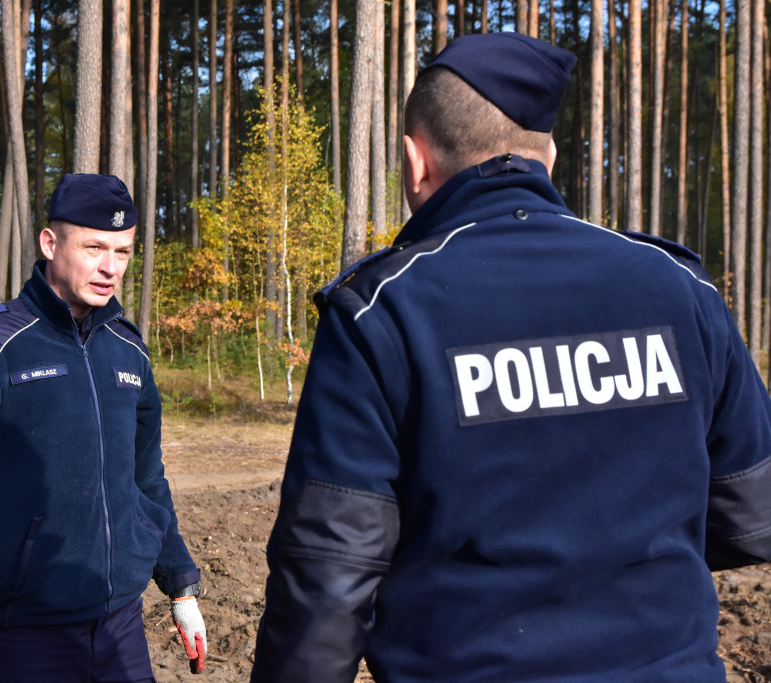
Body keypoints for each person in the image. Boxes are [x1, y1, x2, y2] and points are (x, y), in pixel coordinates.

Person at [251, 32, 771, 682]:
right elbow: (753, 518)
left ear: (415, 162)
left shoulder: (381, 311)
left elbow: (327, 582)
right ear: (547, 157)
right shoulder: (680, 287)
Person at [0, 173, 207, 682]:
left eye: (122, 251)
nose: (110, 267)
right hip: (24, 633)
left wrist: (181, 585)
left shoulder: (129, 350)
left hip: (121, 628)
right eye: (94, 247)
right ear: (50, 243)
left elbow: (145, 480)